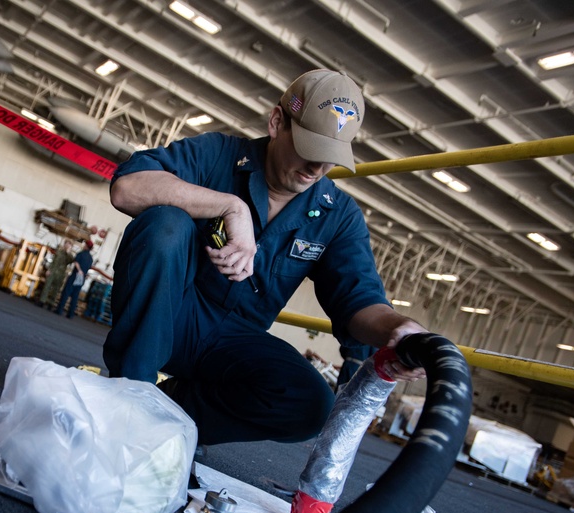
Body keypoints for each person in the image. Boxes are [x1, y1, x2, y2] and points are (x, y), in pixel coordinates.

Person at [104, 68, 429, 451]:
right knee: (165, 223)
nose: (316, 169)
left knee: (308, 404)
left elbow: (358, 298)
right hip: (171, 314)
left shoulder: (337, 214)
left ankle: (170, 420)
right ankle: (128, 403)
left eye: (330, 159)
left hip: (233, 340)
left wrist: (399, 328)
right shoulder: (219, 154)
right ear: (277, 122)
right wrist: (231, 207)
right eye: (310, 149)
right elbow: (127, 188)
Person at [54, 239, 94, 318]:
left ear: (86, 246)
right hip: (82, 278)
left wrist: (79, 270)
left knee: (66, 292)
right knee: (75, 296)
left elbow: (76, 262)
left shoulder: (81, 254)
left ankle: (59, 310)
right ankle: (70, 314)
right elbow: (88, 268)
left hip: (75, 275)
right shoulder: (90, 258)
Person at [39, 240, 75, 309]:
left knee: (56, 289)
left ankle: (51, 303)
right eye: (66, 244)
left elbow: (70, 261)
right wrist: (49, 269)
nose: (67, 246)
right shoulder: (59, 251)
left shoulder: (70, 255)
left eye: (69, 245)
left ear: (71, 247)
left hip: (61, 273)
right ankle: (42, 301)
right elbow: (53, 261)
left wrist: (68, 252)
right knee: (47, 286)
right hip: (53, 270)